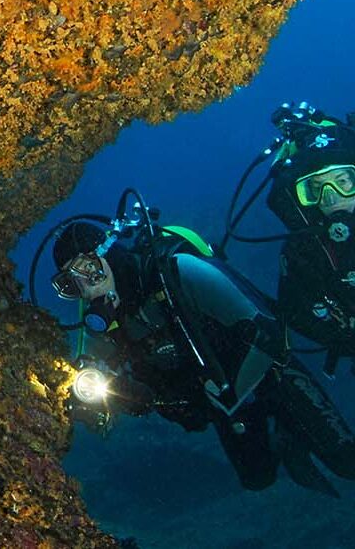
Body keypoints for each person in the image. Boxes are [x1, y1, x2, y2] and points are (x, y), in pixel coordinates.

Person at [49, 197, 355, 494]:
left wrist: (226, 395)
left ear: (110, 254)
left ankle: (292, 432)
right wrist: (119, 399)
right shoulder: (105, 331)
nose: (88, 288)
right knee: (258, 478)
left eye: (90, 270)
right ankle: (286, 442)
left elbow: (268, 332)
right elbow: (104, 398)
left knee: (346, 461)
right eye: (71, 284)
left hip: (272, 377)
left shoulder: (177, 270)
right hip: (220, 408)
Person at [263, 105, 355, 373]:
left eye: (343, 181)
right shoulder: (303, 252)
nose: (331, 196)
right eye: (315, 188)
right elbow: (294, 314)